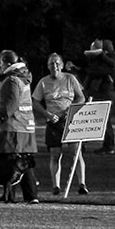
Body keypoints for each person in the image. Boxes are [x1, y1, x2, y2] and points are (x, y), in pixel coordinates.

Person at [33, 52, 87, 197]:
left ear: (62, 65)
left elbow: (81, 97)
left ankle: (82, 184)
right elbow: (35, 102)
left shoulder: (70, 79)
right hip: (53, 122)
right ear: (48, 66)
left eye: (57, 63)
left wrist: (72, 109)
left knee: (76, 153)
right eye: (51, 63)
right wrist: (47, 115)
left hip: (70, 121)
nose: (54, 66)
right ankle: (55, 186)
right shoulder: (43, 82)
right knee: (55, 155)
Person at [0, 51, 40, 203]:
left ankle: (11, 196)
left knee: (10, 162)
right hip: (25, 126)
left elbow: (11, 105)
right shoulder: (22, 78)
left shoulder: (12, 80)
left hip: (13, 127)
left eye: (1, 63)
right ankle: (31, 196)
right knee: (24, 161)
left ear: (6, 63)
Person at [80, 39, 115, 155]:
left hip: (105, 94)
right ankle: (105, 145)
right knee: (101, 120)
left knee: (99, 120)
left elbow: (95, 72)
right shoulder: (109, 62)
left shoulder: (108, 63)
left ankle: (106, 145)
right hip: (105, 94)